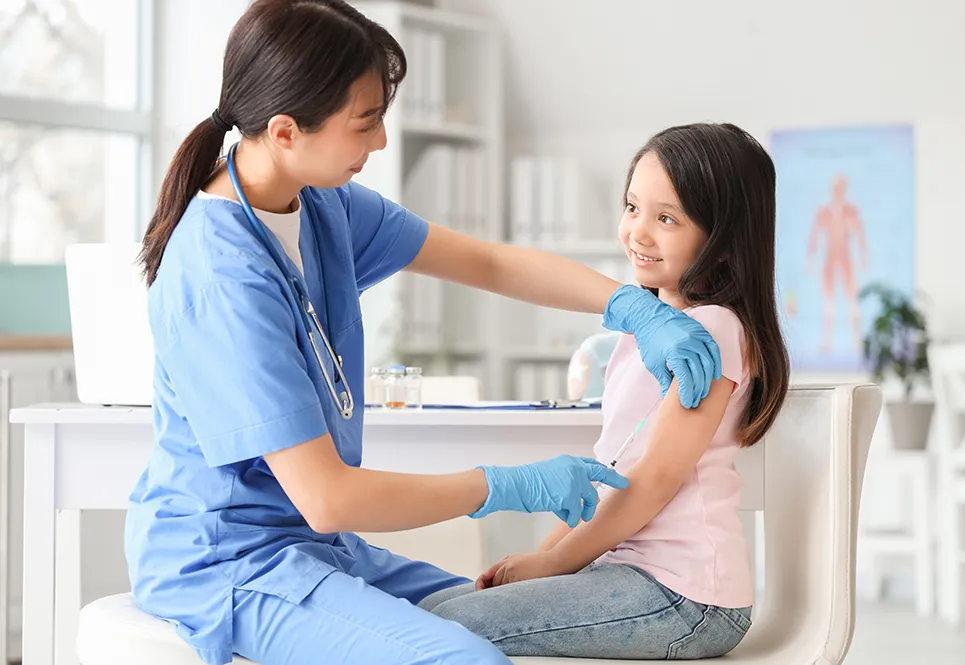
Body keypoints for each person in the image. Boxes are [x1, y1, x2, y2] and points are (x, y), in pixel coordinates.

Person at [125, 2, 722, 664]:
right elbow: (327, 497)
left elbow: (489, 262)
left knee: (499, 618)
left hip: (310, 545)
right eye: (366, 121)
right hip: (229, 563)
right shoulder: (221, 277)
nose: (380, 141)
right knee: (468, 658)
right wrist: (504, 484)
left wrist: (629, 306)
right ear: (287, 131)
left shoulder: (323, 205)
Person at [419, 123, 791, 661]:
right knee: (427, 615)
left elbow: (655, 479)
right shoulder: (646, 329)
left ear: (724, 239)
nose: (638, 233)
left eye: (667, 219)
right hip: (627, 573)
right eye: (632, 207)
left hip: (684, 597)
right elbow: (613, 469)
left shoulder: (710, 334)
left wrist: (552, 565)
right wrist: (543, 553)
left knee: (445, 626)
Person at [807, 175, 869, 354]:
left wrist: (864, 256)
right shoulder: (824, 211)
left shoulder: (851, 211)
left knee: (851, 298)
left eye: (841, 188)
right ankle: (826, 341)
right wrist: (811, 258)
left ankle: (857, 340)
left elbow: (860, 234)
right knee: (829, 300)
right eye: (836, 188)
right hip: (829, 259)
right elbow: (815, 235)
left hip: (845, 258)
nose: (838, 191)